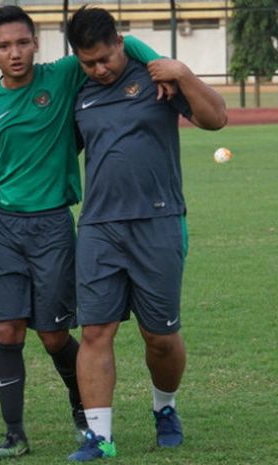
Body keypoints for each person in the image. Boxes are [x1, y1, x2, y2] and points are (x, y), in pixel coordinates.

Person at [0, 5, 162, 460]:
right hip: (4, 228)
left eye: (22, 43)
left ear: (36, 44)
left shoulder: (62, 77)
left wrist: (167, 64)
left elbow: (121, 45)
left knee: (51, 335)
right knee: (7, 330)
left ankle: (82, 410)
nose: (15, 53)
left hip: (52, 227)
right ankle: (14, 435)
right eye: (4, 46)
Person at [64, 7, 227, 462]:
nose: (98, 69)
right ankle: (99, 437)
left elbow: (216, 118)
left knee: (160, 337)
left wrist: (184, 72)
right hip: (98, 227)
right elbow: (51, 148)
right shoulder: (78, 91)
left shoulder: (157, 77)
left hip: (158, 222)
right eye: (87, 62)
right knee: (95, 331)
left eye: (104, 59)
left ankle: (165, 408)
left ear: (120, 42)